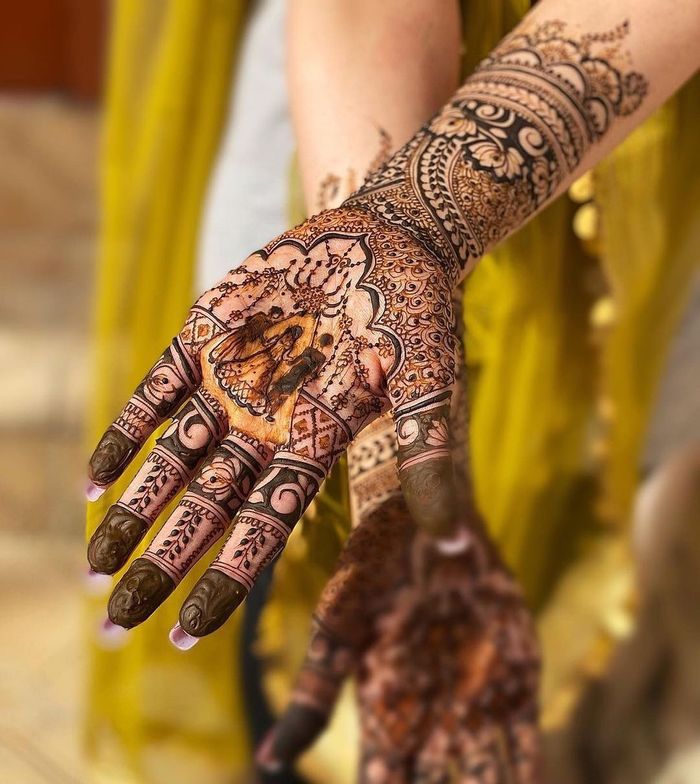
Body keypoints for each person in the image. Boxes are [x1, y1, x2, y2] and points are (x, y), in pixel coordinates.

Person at [83, 0, 700, 781]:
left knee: (573, 530)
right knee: (293, 553)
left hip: (656, 181)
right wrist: (382, 480)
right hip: (345, 103)